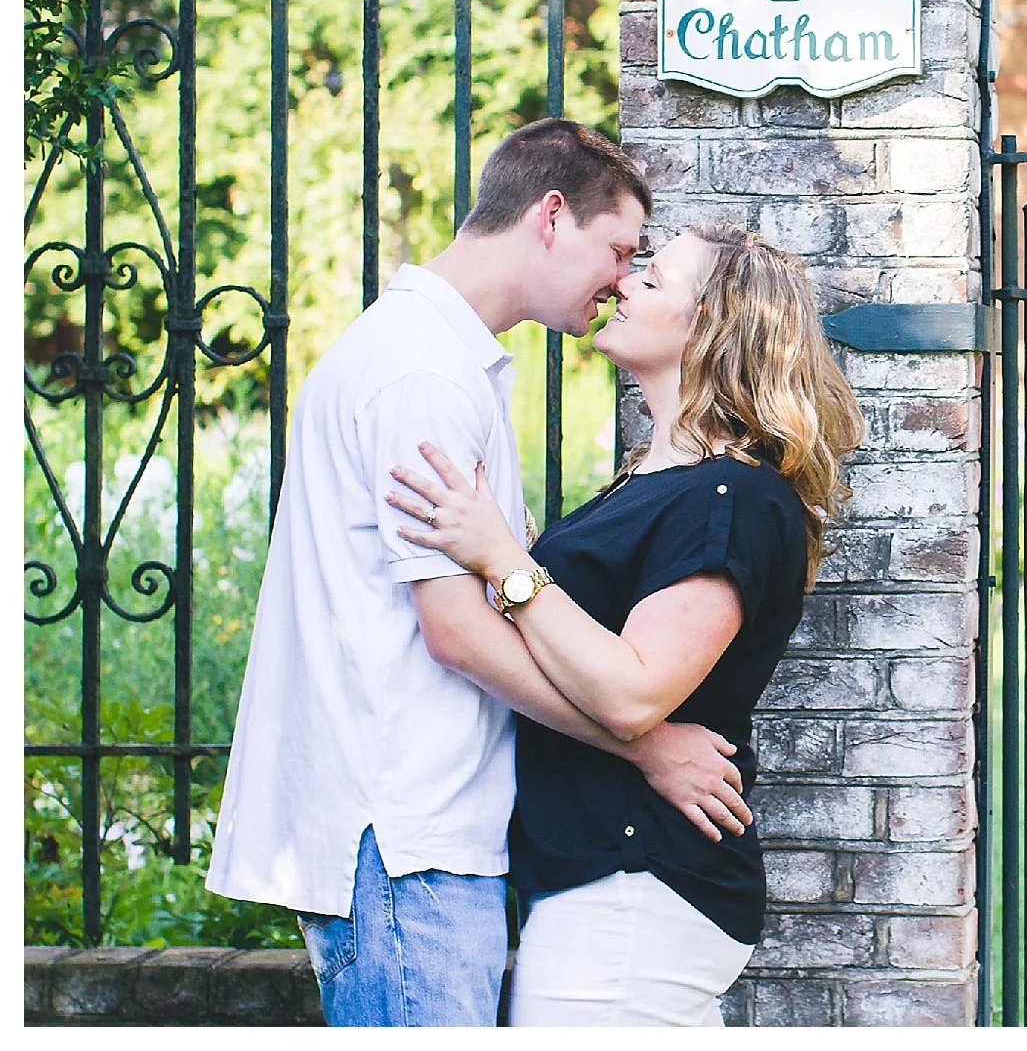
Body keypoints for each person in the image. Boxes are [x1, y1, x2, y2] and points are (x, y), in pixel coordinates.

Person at [206, 119, 753, 1028]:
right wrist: (645, 743)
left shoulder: (439, 356)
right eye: (617, 248)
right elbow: (456, 627)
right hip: (404, 833)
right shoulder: (422, 373)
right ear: (550, 216)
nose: (621, 278)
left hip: (419, 832)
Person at [384, 221, 864, 1026]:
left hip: (634, 889)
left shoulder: (732, 498)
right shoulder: (658, 479)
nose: (627, 283)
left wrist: (507, 558)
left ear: (713, 325)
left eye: (658, 277)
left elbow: (635, 691)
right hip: (606, 891)